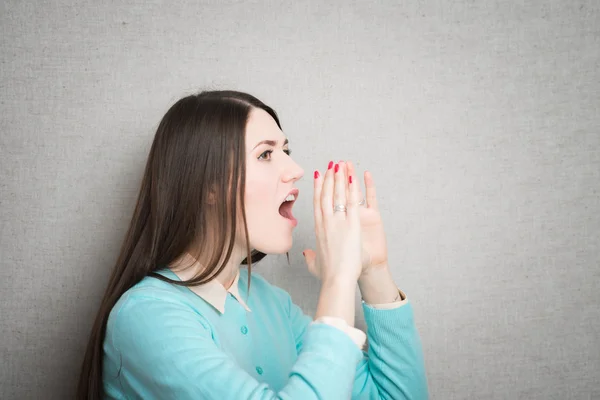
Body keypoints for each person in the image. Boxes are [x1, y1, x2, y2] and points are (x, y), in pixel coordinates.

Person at [76, 90, 429, 399]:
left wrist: (372, 270)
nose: (295, 169)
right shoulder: (146, 318)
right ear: (208, 186)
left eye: (286, 150)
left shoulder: (272, 304)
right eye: (265, 155)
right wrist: (338, 280)